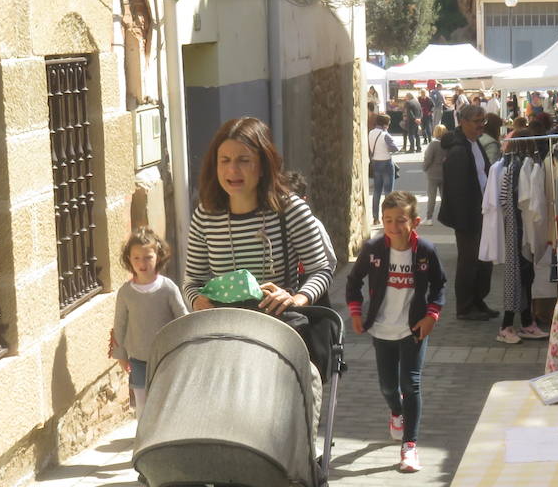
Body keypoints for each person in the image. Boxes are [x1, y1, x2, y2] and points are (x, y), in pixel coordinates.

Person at [183, 116, 334, 319]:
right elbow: (193, 281)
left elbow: (321, 270)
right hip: (226, 333)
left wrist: (296, 300)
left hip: (279, 330)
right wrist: (197, 300)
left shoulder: (290, 209)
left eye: (243, 160)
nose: (232, 170)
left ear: (263, 166)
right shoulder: (205, 216)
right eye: (224, 161)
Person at [345, 191, 448, 473]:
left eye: (400, 220)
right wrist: (356, 312)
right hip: (382, 329)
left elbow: (439, 285)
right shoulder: (374, 249)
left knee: (410, 384)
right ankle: (396, 411)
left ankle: (410, 447)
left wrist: (432, 316)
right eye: (388, 220)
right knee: (388, 386)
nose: (393, 227)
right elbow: (353, 281)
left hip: (413, 328)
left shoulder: (426, 250)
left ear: (414, 221)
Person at [110, 227, 187, 415]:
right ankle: (143, 436)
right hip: (138, 357)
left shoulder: (168, 288)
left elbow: (183, 318)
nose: (142, 263)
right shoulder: (126, 293)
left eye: (147, 257)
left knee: (165, 397)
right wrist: (120, 354)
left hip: (166, 355)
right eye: (136, 258)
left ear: (158, 257)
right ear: (129, 259)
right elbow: (119, 324)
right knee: (142, 401)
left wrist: (186, 347)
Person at [436, 103, 494, 320]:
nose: (481, 126)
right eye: (477, 121)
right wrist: (465, 222)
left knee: (483, 261)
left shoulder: (474, 143)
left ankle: (479, 302)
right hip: (468, 217)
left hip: (481, 213)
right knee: (469, 262)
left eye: (483, 121)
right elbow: (457, 191)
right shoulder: (459, 150)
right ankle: (465, 307)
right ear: (463, 122)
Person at [367, 112, 398, 214]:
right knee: (388, 192)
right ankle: (387, 214)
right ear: (385, 124)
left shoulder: (371, 133)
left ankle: (375, 217)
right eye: (388, 124)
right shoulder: (385, 135)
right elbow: (395, 148)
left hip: (375, 162)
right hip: (386, 162)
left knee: (377, 191)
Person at [422, 124, 448, 223]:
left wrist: (424, 167)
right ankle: (447, 216)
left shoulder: (433, 144)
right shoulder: (447, 144)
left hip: (433, 174)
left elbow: (428, 158)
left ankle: (429, 218)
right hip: (444, 173)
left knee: (431, 197)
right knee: (444, 197)